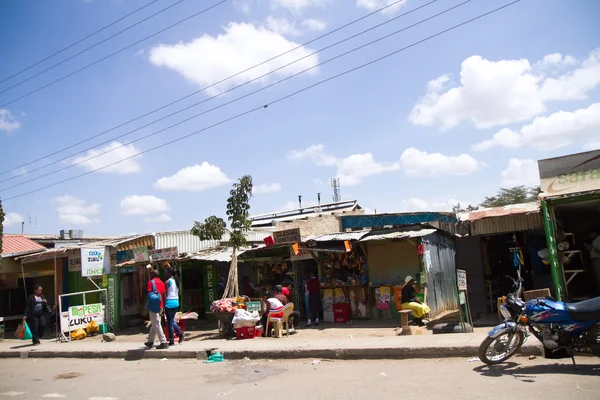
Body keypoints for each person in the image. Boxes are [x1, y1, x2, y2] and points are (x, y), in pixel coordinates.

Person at [145, 268, 169, 350]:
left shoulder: (150, 283)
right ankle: (150, 341)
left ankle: (163, 341)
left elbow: (149, 295)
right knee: (155, 322)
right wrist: (164, 307)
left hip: (153, 306)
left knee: (156, 324)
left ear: (152, 275)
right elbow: (164, 295)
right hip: (161, 305)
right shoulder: (162, 283)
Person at [164, 266, 185, 346]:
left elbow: (165, 294)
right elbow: (179, 293)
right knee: (171, 320)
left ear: (169, 273)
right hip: (176, 302)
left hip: (169, 303)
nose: (165, 274)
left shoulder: (167, 282)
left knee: (169, 322)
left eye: (166, 272)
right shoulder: (177, 282)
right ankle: (180, 334)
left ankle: (172, 340)